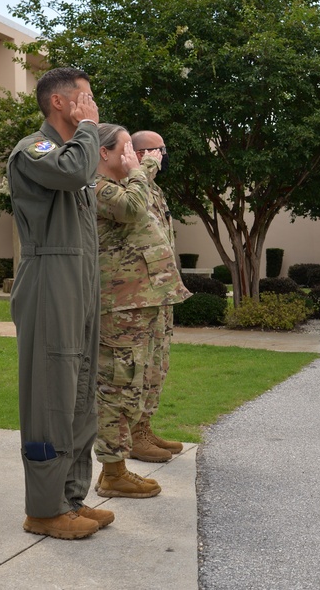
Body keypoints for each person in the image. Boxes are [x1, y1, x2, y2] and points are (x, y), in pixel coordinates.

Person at [7, 67, 113, 540]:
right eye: (85, 99)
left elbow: (81, 172)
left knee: (80, 391)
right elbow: (71, 174)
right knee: (52, 392)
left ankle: (70, 499)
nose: (91, 107)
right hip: (50, 278)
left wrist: (86, 135)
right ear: (59, 103)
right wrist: (90, 129)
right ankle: (44, 510)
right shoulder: (37, 149)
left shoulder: (77, 153)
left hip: (80, 280)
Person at [92, 124, 189, 494]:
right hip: (121, 304)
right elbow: (131, 209)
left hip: (146, 298)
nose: (141, 159)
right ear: (105, 153)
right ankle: (113, 472)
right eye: (127, 151)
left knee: (137, 379)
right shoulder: (97, 187)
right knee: (117, 385)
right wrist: (140, 169)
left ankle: (129, 448)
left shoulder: (132, 185)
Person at [129, 130, 188, 461]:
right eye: (156, 149)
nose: (162, 155)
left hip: (161, 288)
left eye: (163, 149)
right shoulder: (128, 185)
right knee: (138, 365)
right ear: (139, 154)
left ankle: (145, 427)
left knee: (158, 363)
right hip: (140, 292)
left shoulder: (154, 189)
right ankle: (132, 436)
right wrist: (144, 169)